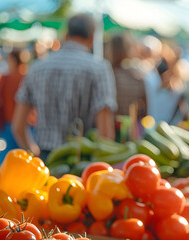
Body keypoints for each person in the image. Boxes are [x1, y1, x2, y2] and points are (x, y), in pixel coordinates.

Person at [13, 14, 117, 160]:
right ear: (92, 38)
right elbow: (105, 133)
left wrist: (35, 155)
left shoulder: (37, 68)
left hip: (45, 162)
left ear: (66, 35)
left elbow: (17, 126)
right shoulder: (99, 69)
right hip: (82, 163)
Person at [0, 49, 28, 163]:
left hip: (8, 122)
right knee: (25, 160)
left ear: (13, 60)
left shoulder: (6, 78)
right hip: (27, 124)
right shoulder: (27, 76)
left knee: (7, 161)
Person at [106, 34, 147, 118]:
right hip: (130, 125)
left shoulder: (106, 74)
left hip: (109, 124)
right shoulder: (137, 77)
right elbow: (145, 109)